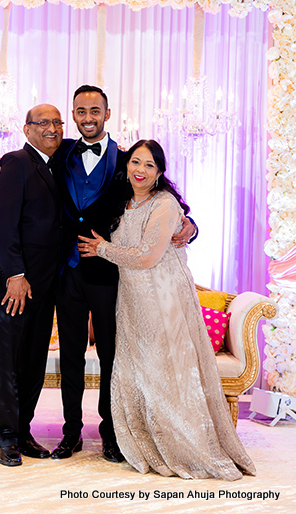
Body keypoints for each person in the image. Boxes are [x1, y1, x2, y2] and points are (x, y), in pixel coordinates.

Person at [0, 85, 197, 463]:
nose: (87, 118)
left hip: (109, 275)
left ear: (107, 113)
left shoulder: (126, 159)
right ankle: (70, 434)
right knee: (68, 357)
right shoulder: (60, 151)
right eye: (80, 112)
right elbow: (24, 173)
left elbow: (161, 193)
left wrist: (190, 224)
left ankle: (112, 434)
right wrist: (3, 167)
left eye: (95, 111)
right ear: (74, 115)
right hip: (63, 275)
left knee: (111, 357)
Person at [78, 140, 256, 480]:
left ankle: (183, 444)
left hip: (164, 298)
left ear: (160, 172)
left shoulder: (164, 203)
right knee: (139, 371)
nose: (140, 170)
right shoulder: (123, 198)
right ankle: (146, 439)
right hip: (131, 299)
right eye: (135, 162)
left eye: (148, 165)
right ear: (126, 165)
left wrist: (102, 248)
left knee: (169, 371)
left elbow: (147, 255)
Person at [0, 104, 64, 467]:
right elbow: (2, 221)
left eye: (57, 123)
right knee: (10, 362)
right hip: (13, 282)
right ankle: (6, 438)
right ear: (26, 129)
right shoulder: (14, 163)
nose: (52, 129)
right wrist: (15, 274)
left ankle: (23, 430)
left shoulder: (57, 165)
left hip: (44, 285)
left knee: (32, 362)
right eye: (42, 123)